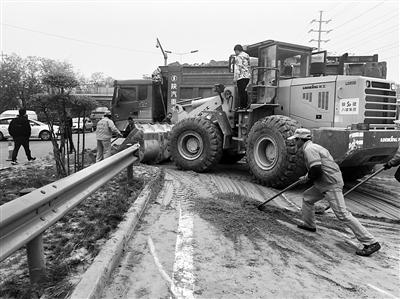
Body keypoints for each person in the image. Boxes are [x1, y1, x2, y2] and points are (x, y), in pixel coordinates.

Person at [288, 128, 381, 256]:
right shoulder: (315, 147)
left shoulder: (309, 149)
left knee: (342, 214)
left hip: (330, 183)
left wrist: (306, 178)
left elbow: (316, 169)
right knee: (308, 198)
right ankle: (309, 224)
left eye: (295, 140)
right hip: (323, 182)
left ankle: (371, 242)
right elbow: (320, 166)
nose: (294, 143)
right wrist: (308, 175)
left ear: (300, 139)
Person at [233, 44, 251, 110]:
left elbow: (237, 68)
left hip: (241, 77)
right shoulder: (247, 56)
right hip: (247, 76)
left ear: (237, 50)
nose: (235, 53)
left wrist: (235, 78)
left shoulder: (238, 57)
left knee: (241, 92)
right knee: (245, 91)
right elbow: (249, 66)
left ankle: (242, 106)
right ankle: (245, 105)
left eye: (235, 51)